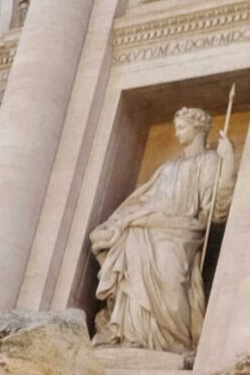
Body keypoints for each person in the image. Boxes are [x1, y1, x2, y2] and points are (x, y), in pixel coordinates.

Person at [90, 106, 236, 354]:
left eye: (182, 127)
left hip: (180, 232)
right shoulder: (168, 166)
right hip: (146, 227)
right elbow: (144, 199)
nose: (177, 133)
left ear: (197, 128)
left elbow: (218, 207)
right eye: (176, 127)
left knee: (171, 286)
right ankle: (133, 335)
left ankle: (173, 343)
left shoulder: (209, 161)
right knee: (132, 265)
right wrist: (119, 223)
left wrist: (229, 159)